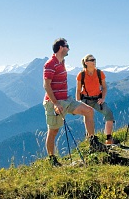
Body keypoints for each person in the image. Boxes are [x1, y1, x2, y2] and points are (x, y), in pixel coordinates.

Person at [43, 38, 106, 166]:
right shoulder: (50, 64)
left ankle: (92, 142)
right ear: (61, 47)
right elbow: (46, 86)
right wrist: (56, 103)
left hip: (67, 99)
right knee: (53, 131)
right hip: (54, 102)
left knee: (89, 111)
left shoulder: (62, 62)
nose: (69, 48)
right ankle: (52, 159)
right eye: (67, 46)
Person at [76, 54, 116, 145]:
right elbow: (78, 90)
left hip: (97, 99)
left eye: (94, 59)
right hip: (85, 99)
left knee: (109, 113)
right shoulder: (81, 75)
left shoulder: (99, 73)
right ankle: (91, 139)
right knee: (88, 116)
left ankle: (108, 138)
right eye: (92, 60)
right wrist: (78, 103)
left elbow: (104, 87)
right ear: (86, 63)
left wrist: (102, 98)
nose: (94, 61)